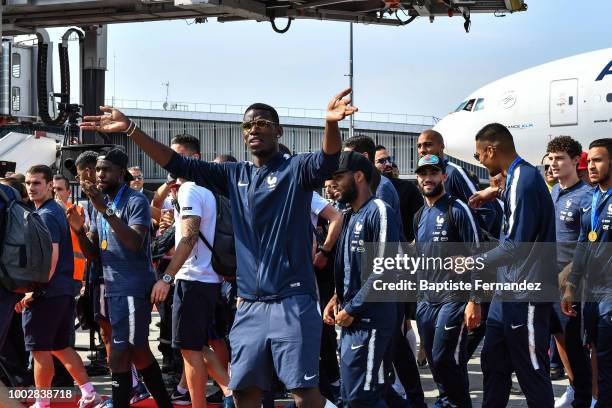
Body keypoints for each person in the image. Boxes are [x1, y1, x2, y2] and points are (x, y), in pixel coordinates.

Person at [80, 88, 357, 408]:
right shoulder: (234, 174)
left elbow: (328, 159)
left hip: (293, 299)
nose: (254, 130)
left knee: (303, 392)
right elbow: (177, 162)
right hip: (250, 303)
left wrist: (331, 124)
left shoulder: (296, 169)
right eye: (248, 126)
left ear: (278, 131)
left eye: (263, 123)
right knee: (243, 392)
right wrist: (131, 130)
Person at [67, 148, 172, 408]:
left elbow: (135, 243)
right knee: (138, 352)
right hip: (114, 289)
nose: (99, 174)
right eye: (98, 169)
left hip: (132, 288)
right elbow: (94, 254)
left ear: (121, 174)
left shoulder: (135, 201)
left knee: (120, 354)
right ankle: (165, 405)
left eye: (106, 169)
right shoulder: (100, 203)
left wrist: (106, 211)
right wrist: (79, 231)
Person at [468, 123, 557, 407]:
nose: (479, 160)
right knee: (493, 364)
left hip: (526, 293)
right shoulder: (515, 180)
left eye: (479, 154)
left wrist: (473, 262)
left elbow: (515, 246)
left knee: (531, 372)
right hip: (505, 293)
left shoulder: (525, 179)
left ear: (492, 150)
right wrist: (493, 194)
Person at [17, 165, 101, 408]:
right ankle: (88, 392)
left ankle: (42, 402)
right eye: (29, 183)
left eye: (37, 183)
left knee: (39, 349)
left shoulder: (46, 214)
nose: (31, 188)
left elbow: (50, 256)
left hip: (49, 292)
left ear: (48, 186)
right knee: (60, 347)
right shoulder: (54, 210)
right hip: (62, 290)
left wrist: (36, 289)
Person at [323, 150, 400, 407]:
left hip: (370, 320)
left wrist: (353, 308)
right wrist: (336, 298)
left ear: (358, 176)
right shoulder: (349, 215)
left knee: (361, 397)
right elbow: (349, 268)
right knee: (360, 392)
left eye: (338, 177)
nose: (333, 183)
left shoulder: (380, 210)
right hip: (352, 319)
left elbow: (385, 267)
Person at [413, 154, 481, 408]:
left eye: (433, 173)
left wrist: (474, 300)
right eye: (423, 174)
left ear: (444, 176)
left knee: (445, 357)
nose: (427, 178)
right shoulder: (419, 215)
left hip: (454, 299)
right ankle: (445, 401)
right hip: (426, 300)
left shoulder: (457, 208)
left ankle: (458, 404)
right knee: (434, 359)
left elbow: (477, 253)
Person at [545, 136, 594, 408]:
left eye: (560, 158)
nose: (553, 164)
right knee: (559, 339)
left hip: (573, 285)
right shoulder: (554, 192)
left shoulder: (586, 196)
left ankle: (586, 397)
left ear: (576, 161)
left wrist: (572, 283)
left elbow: (584, 244)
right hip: (549, 280)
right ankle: (575, 389)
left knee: (576, 346)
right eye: (550, 158)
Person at [563, 138, 612, 408]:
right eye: (589, 161)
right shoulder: (593, 198)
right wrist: (571, 286)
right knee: (595, 350)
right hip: (591, 292)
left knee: (607, 357)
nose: (591, 166)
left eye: (598, 160)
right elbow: (583, 244)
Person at [417, 129, 503, 238]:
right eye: (419, 146)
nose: (422, 150)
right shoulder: (423, 180)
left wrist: (473, 245)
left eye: (428, 145)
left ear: (441, 146)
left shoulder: (455, 172)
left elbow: (486, 211)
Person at [374, 145, 423, 242]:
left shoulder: (408, 187)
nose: (388, 164)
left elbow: (422, 218)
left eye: (389, 159)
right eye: (382, 161)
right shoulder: (365, 190)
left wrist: (415, 241)